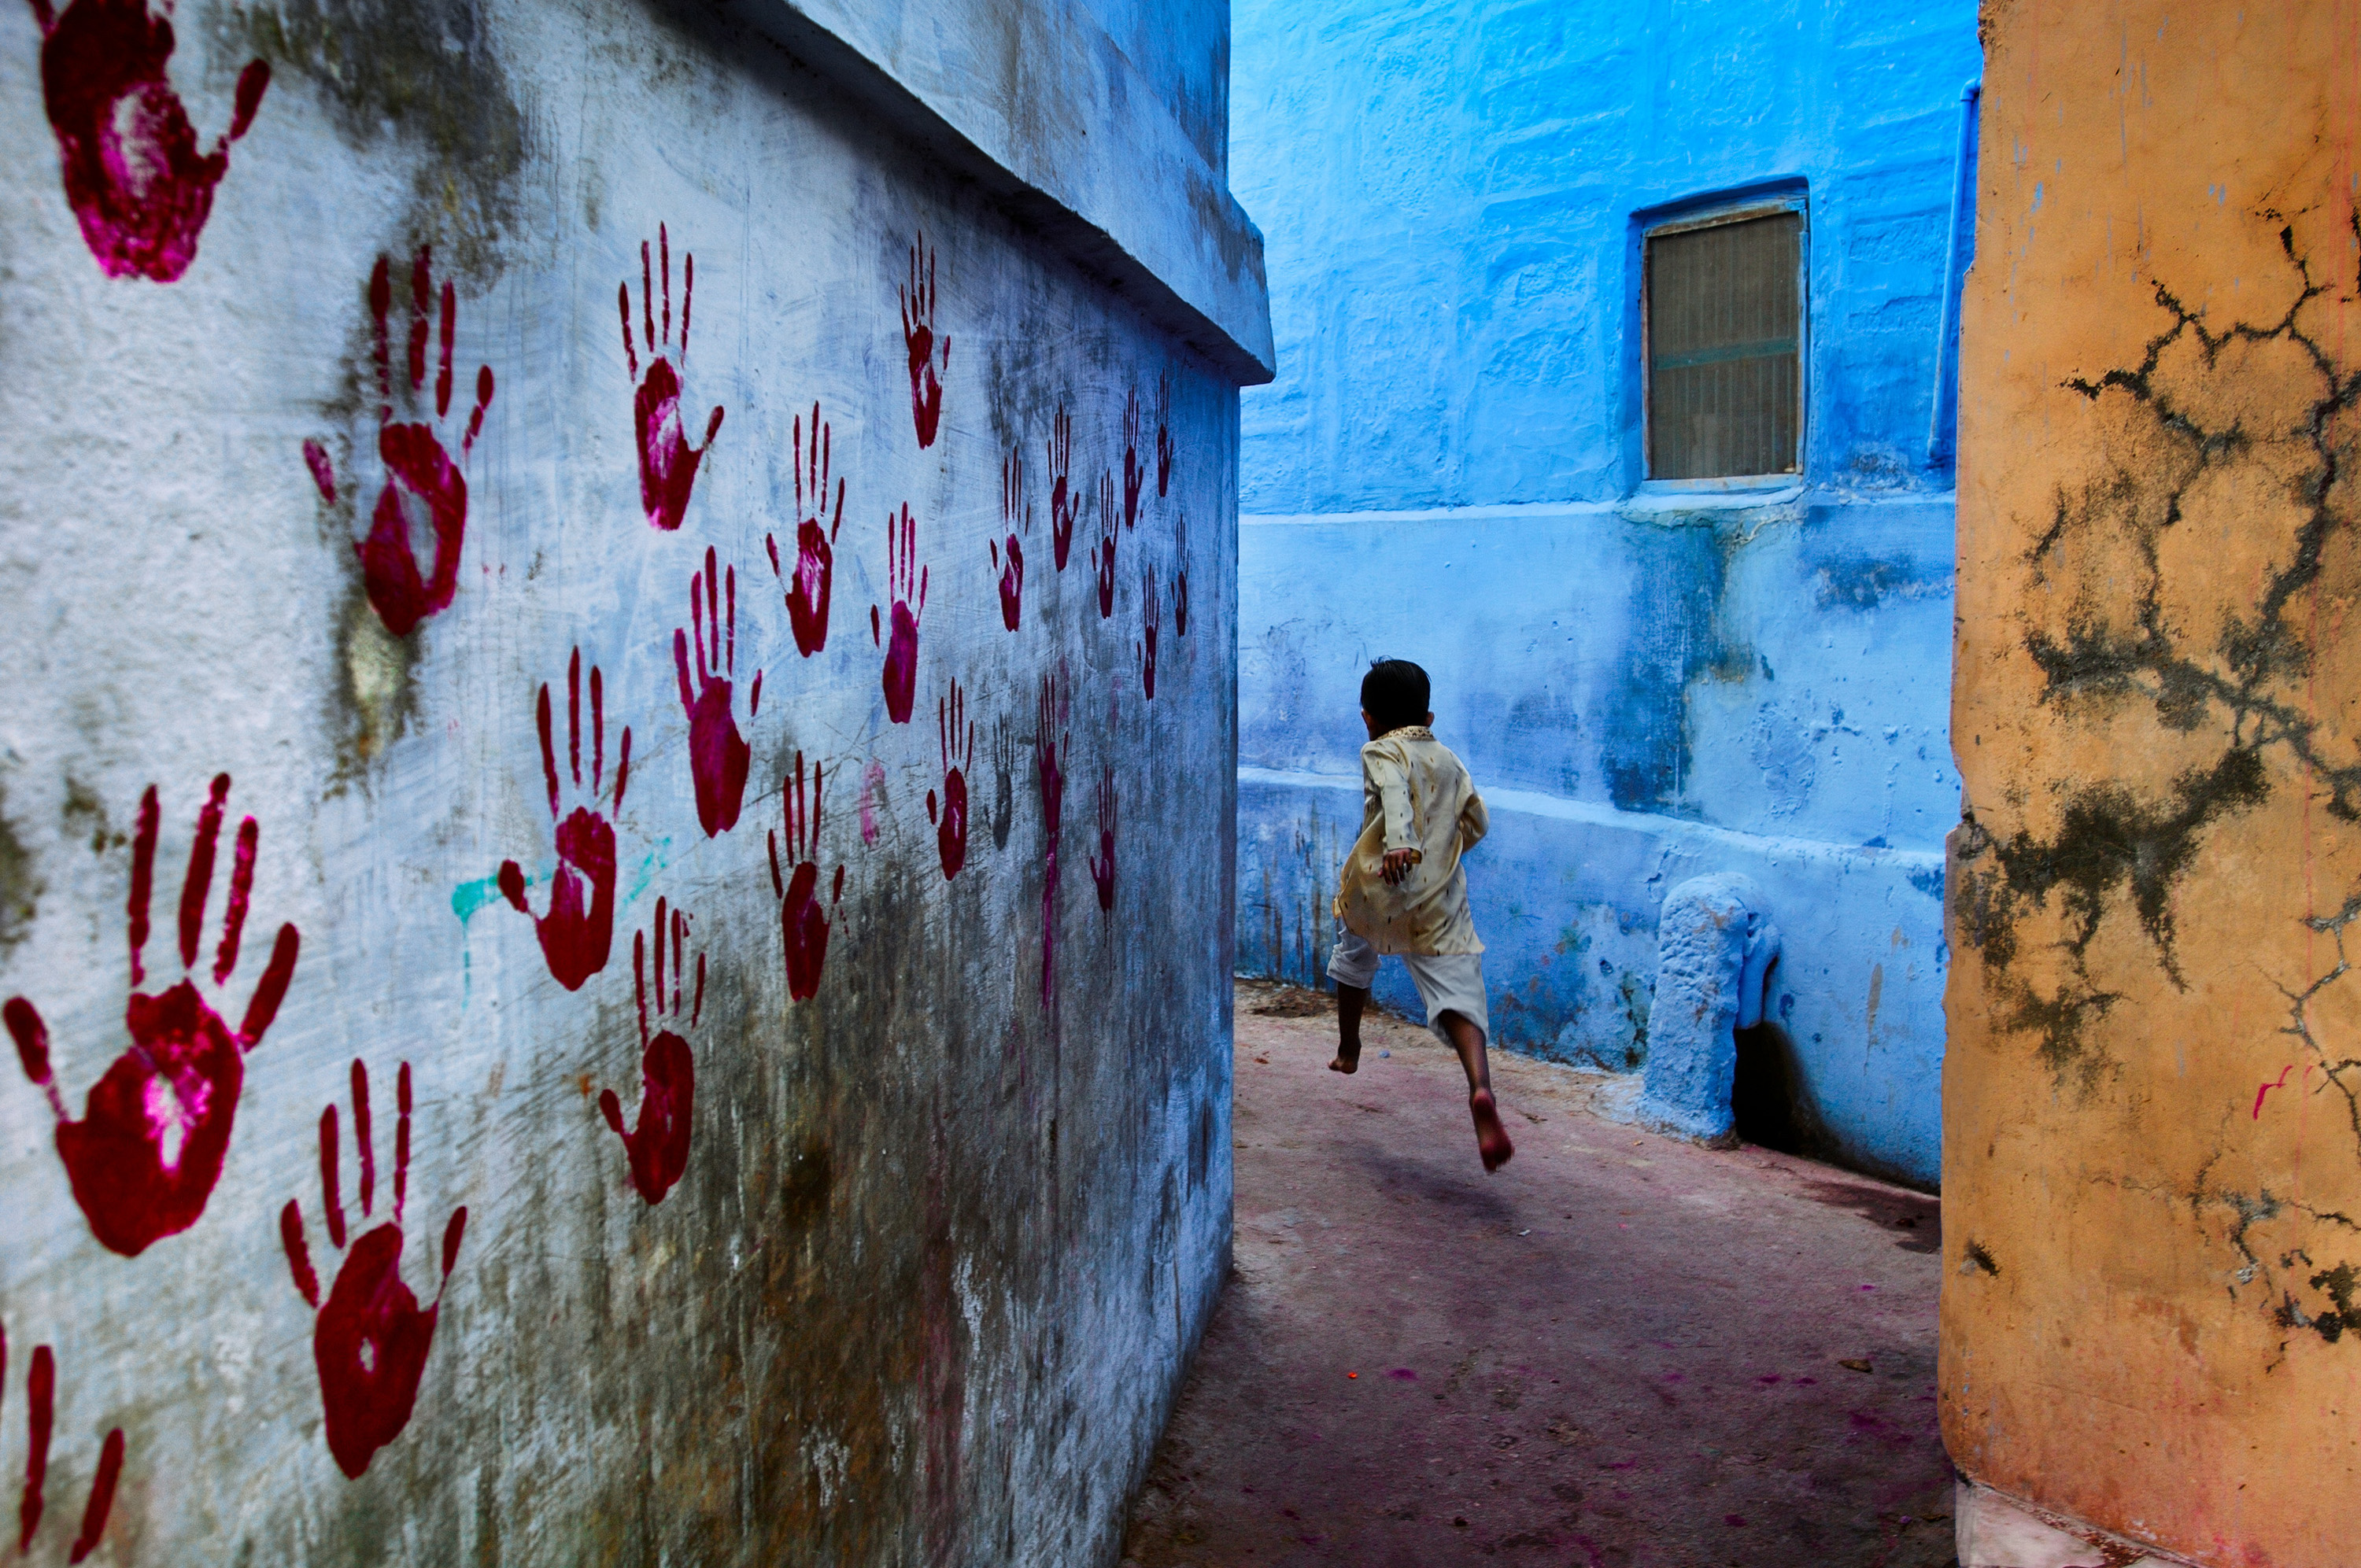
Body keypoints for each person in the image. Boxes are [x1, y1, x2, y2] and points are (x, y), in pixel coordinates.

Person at [1326, 658, 1513, 1171]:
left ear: (1367, 717)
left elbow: (1392, 790)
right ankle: (1479, 1086)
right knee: (1457, 989)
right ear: (1428, 719)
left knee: (1354, 952)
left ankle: (1349, 1046)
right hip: (1437, 894)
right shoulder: (1450, 759)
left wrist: (1401, 843)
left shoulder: (1379, 748)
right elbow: (1476, 818)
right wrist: (1443, 854)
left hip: (1378, 887)